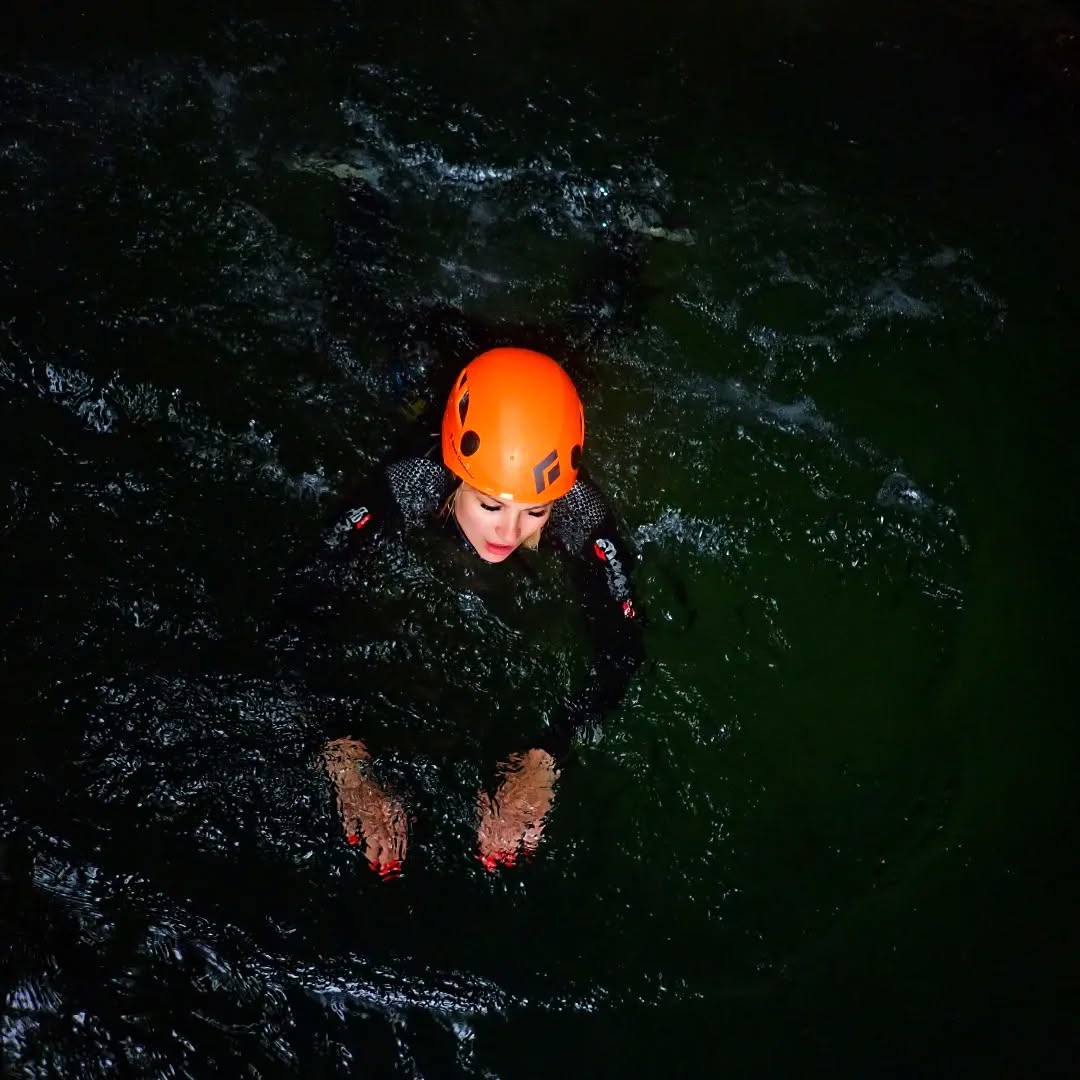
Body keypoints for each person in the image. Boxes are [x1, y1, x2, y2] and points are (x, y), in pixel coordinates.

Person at [282, 347, 643, 879]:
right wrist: (344, 763)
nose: (508, 532)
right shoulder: (411, 483)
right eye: (491, 505)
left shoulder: (582, 514)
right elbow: (295, 612)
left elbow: (623, 651)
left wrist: (546, 759)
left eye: (535, 511)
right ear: (455, 478)